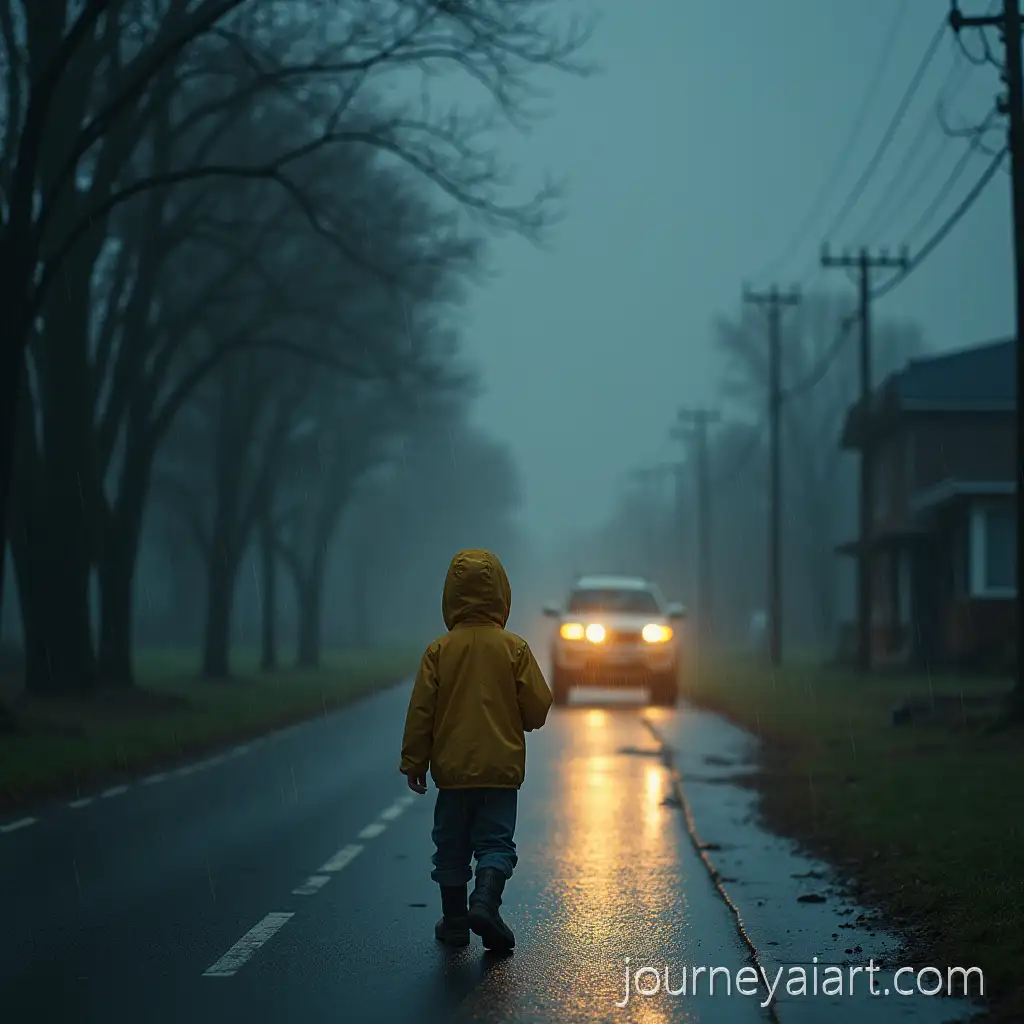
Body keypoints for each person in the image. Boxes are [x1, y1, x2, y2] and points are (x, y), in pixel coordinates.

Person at [399, 549, 552, 952]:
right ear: (502, 593)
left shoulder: (439, 651)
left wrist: (414, 760)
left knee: (449, 846)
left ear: (450, 595)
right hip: (499, 774)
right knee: (496, 844)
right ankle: (484, 902)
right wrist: (521, 718)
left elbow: (421, 712)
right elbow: (537, 707)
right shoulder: (514, 649)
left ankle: (454, 923)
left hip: (451, 774)